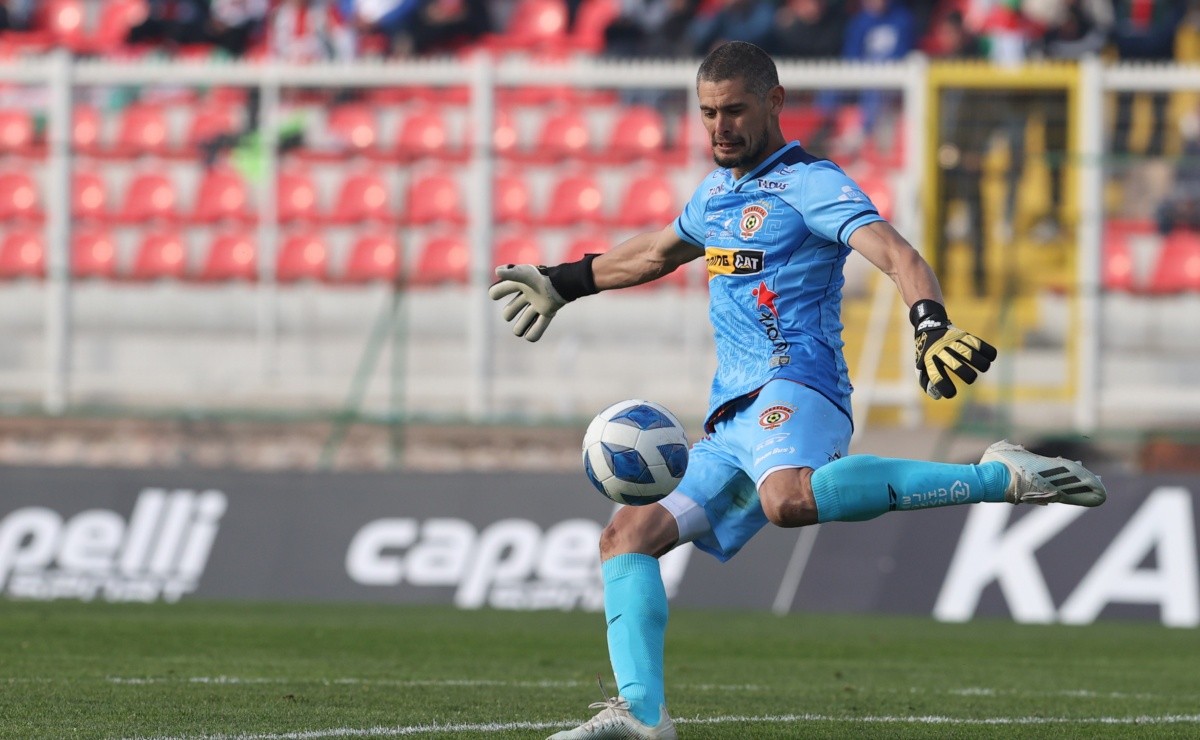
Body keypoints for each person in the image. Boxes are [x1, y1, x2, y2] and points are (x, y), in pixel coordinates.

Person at [489, 41, 1108, 740]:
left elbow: (898, 253)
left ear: (774, 104)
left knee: (786, 500)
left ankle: (999, 477)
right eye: (708, 114)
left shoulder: (810, 184)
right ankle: (642, 716)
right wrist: (564, 281)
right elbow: (657, 253)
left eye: (734, 111)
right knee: (627, 535)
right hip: (731, 419)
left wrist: (929, 323)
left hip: (801, 387)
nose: (720, 127)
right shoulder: (715, 195)